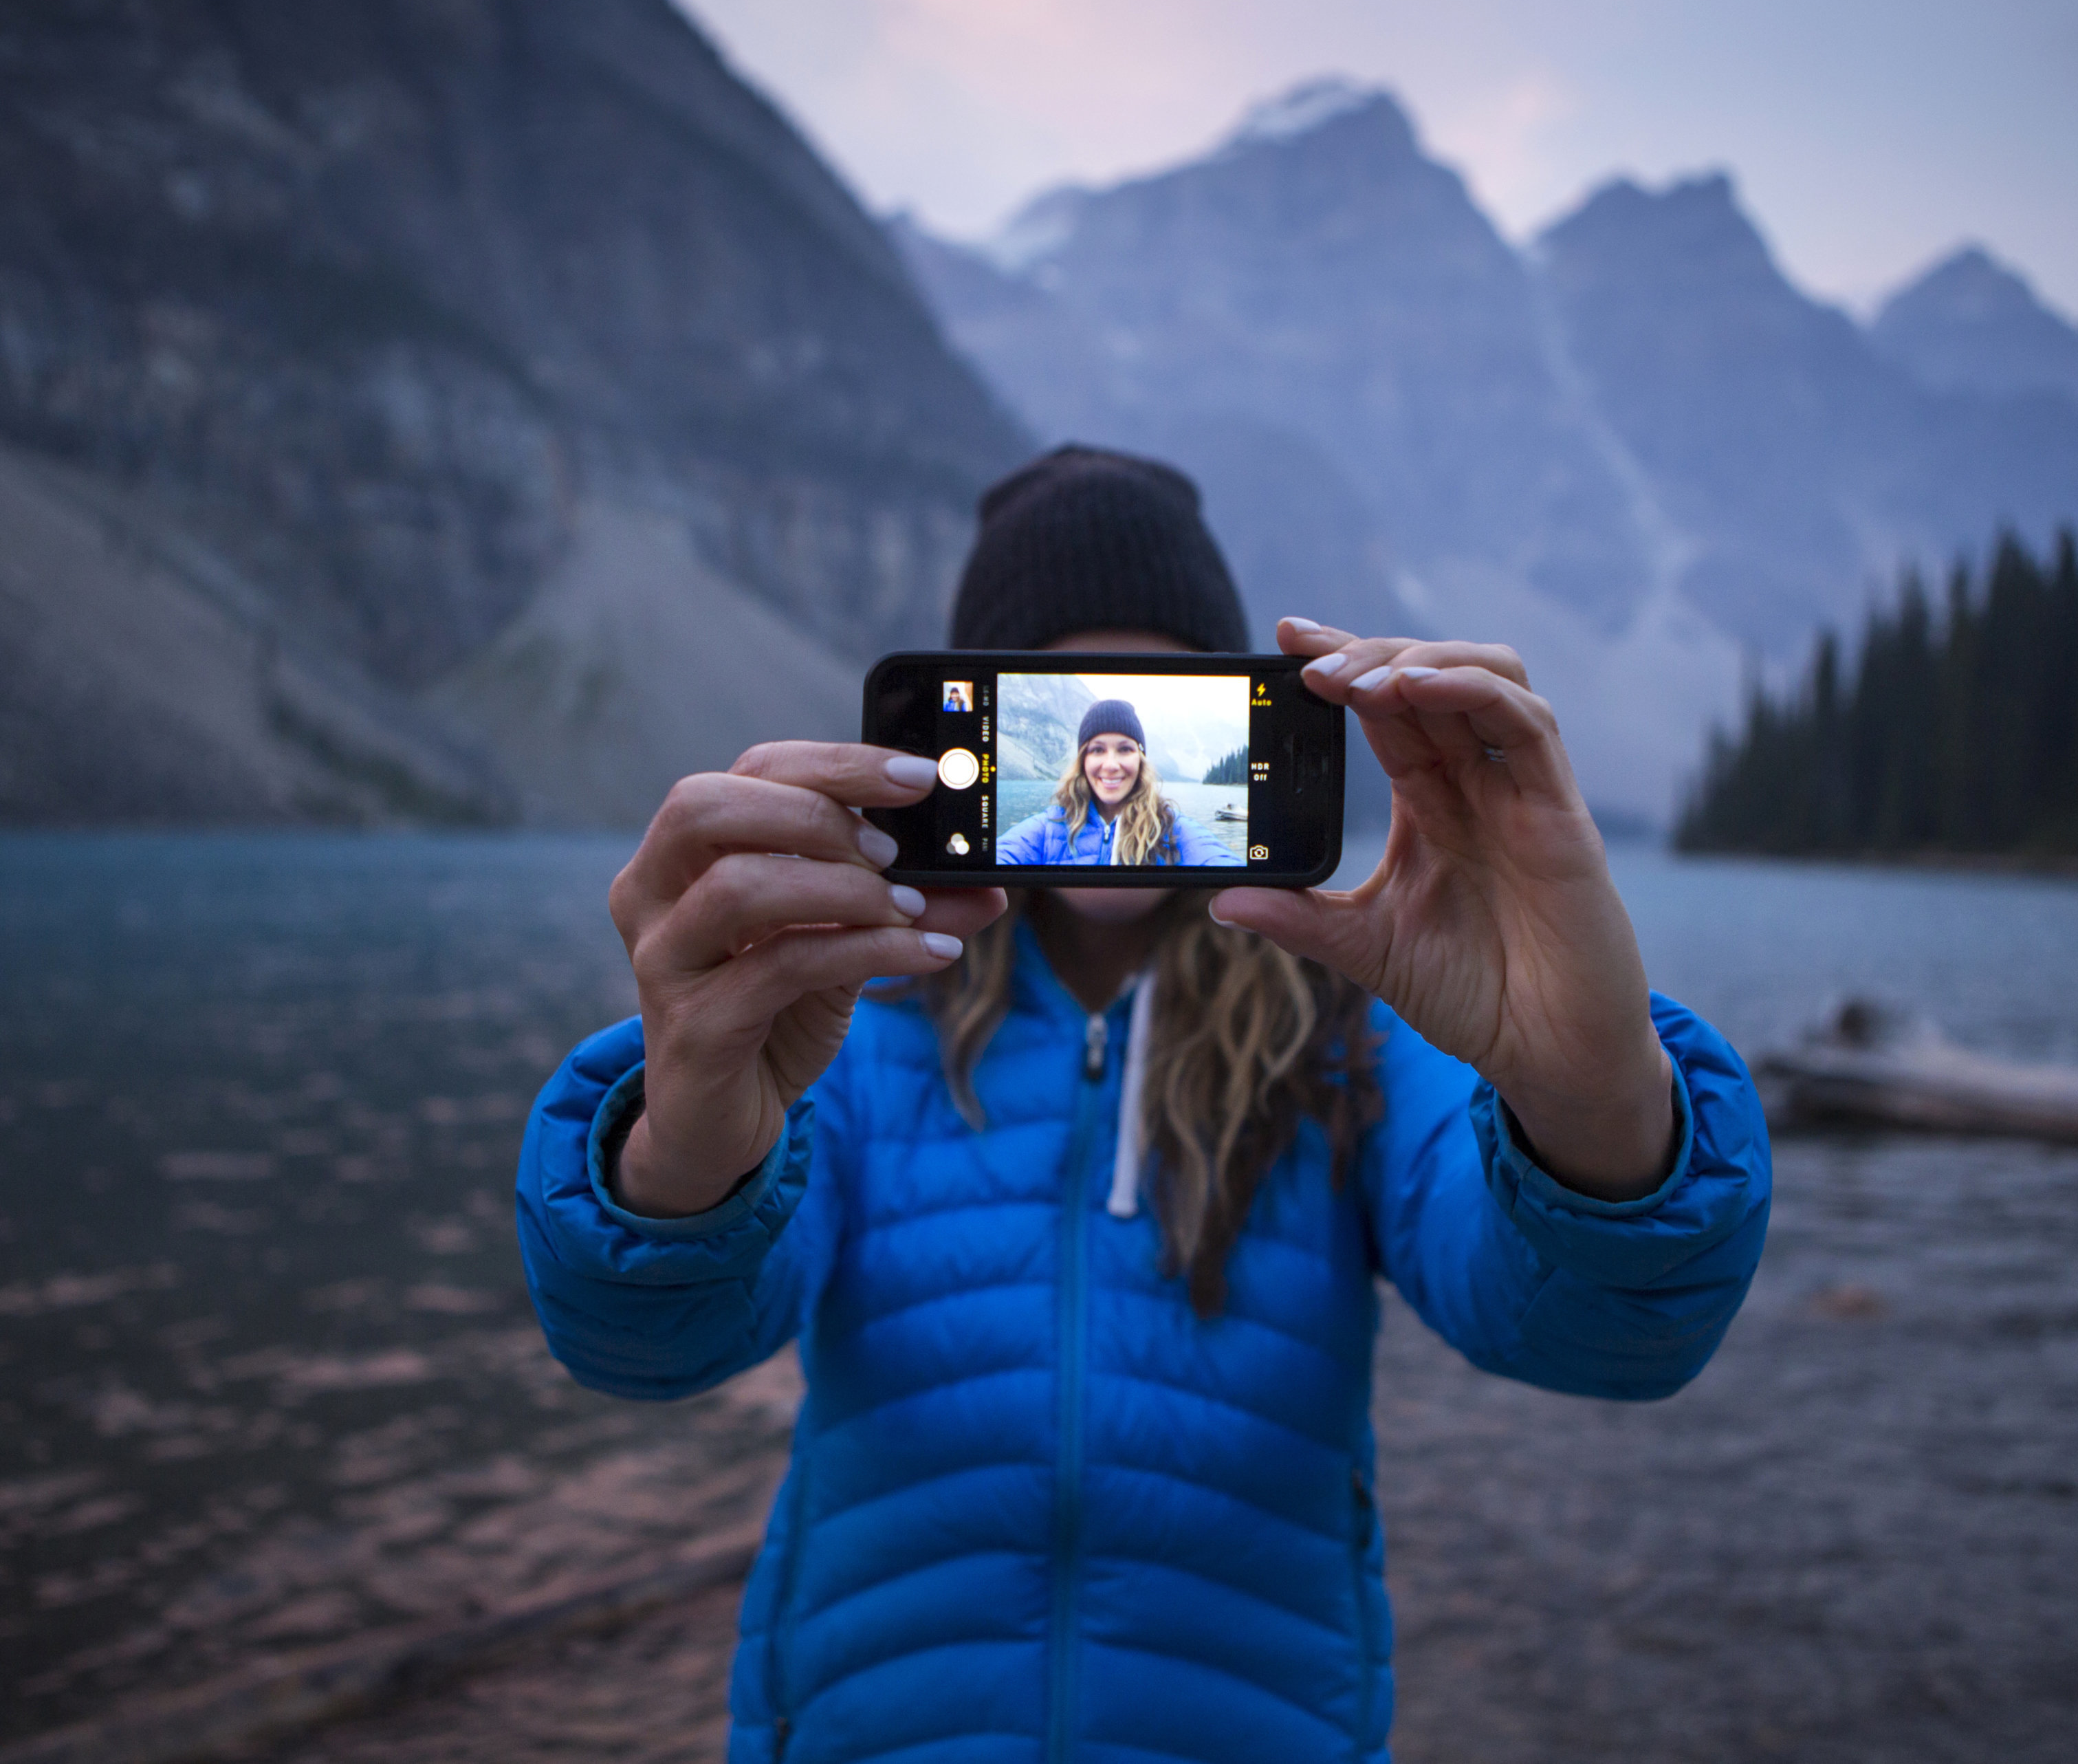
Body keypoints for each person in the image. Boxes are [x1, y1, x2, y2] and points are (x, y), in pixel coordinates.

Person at [515, 445, 1770, 1763]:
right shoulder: (848, 1013)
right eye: (1069, 716)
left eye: (1149, 718)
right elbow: (645, 1351)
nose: (1112, 755)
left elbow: (1605, 1346)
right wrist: (682, 1152)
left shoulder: (1346, 1035)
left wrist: (1591, 1097)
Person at [996, 696, 1240, 867]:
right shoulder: (1049, 826)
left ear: (1141, 760)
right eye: (1098, 750)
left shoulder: (1170, 827)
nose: (1111, 765)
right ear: (1083, 760)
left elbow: (1221, 861)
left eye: (1125, 749)